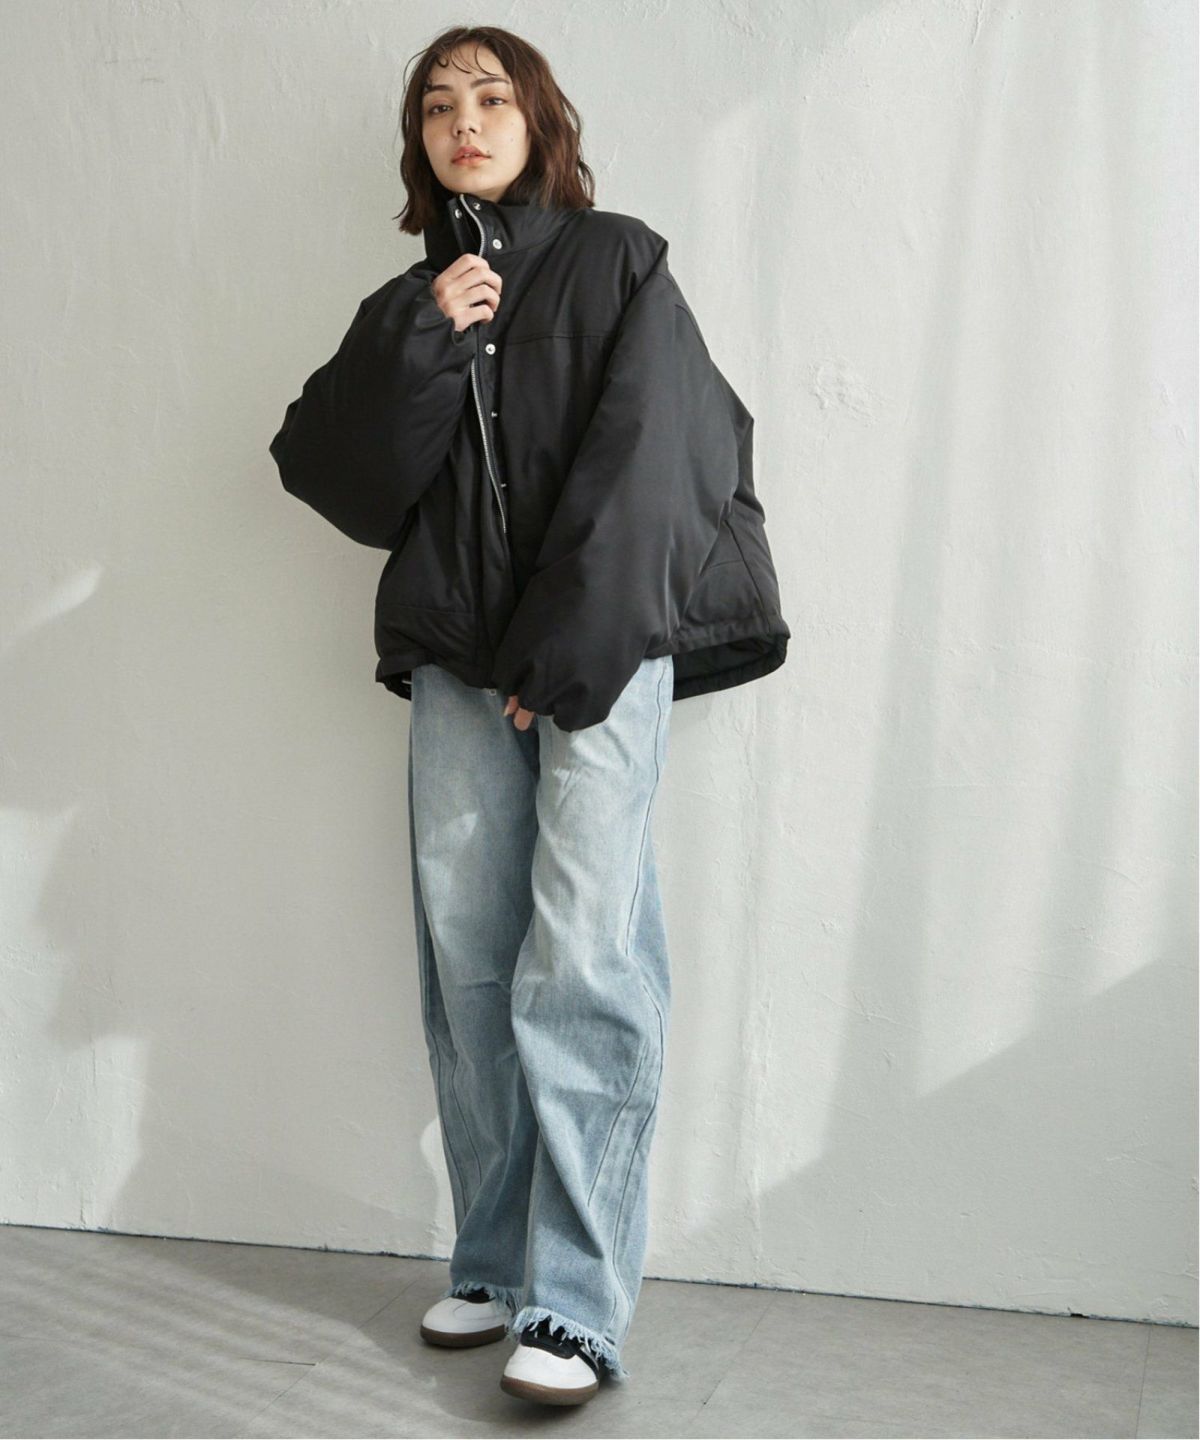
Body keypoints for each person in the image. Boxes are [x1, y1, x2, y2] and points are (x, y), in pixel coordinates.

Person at [269, 24, 789, 1408]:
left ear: (539, 118)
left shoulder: (619, 261)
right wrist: (425, 336)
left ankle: (576, 1302)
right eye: (438, 104)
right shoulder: (413, 301)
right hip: (458, 660)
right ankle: (495, 1261)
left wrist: (563, 650)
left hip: (596, 655)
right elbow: (332, 475)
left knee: (583, 959)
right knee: (471, 965)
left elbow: (663, 463)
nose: (464, 119)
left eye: (490, 95)